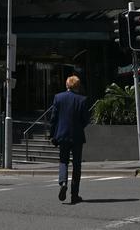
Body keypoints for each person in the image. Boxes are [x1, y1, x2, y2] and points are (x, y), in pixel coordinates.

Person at [50, 75, 90, 204]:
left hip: (62, 135)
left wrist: (52, 135)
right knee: (77, 165)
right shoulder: (82, 100)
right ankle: (74, 194)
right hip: (77, 136)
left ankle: (63, 183)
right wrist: (79, 127)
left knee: (63, 161)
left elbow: (53, 118)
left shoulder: (58, 97)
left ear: (67, 85)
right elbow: (86, 120)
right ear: (78, 86)